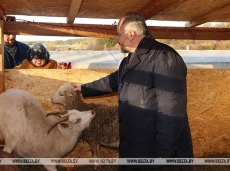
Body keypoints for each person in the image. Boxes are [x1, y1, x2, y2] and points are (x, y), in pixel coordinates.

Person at [73, 12, 193, 170]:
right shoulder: (128, 61)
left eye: (118, 34)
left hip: (156, 152)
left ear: (131, 34)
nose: (116, 39)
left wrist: (162, 159)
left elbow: (171, 115)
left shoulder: (164, 58)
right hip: (135, 148)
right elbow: (112, 81)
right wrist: (83, 88)